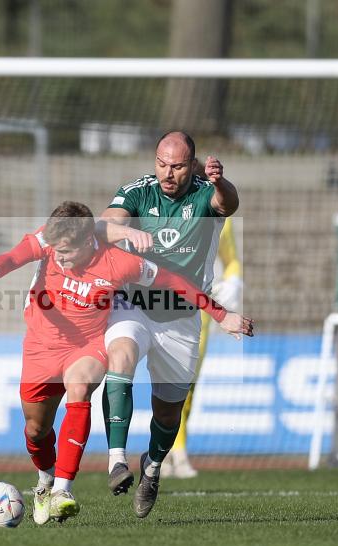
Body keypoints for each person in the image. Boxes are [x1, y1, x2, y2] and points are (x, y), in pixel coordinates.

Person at [0, 201, 251, 524]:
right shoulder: (51, 239)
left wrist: (221, 314)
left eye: (66, 252)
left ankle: (62, 491)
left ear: (88, 242)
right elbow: (16, 255)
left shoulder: (119, 262)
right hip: (41, 347)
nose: (59, 257)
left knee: (80, 388)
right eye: (55, 251)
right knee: (36, 429)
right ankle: (45, 481)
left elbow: (173, 281)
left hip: (87, 344)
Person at [96, 130, 241, 517]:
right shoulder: (138, 191)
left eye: (176, 166)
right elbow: (103, 224)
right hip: (134, 305)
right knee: (120, 356)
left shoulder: (204, 195)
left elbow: (228, 203)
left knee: (167, 412)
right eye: (161, 163)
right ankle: (116, 461)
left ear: (191, 165)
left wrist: (220, 182)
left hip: (182, 316)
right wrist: (126, 230)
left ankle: (153, 466)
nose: (167, 173)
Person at [161, 219, 243, 478]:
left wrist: (233, 282)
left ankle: (176, 449)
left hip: (200, 308)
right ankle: (167, 450)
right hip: (164, 305)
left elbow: (232, 260)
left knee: (188, 381)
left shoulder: (220, 218)